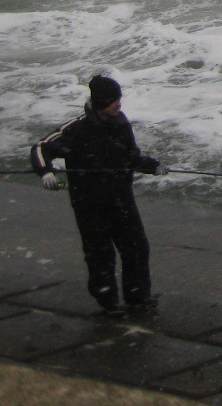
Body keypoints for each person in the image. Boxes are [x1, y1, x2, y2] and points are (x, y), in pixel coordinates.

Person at [29, 75, 165, 316]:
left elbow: (130, 157)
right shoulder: (76, 129)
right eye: (114, 100)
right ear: (102, 102)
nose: (119, 104)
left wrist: (151, 166)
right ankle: (109, 302)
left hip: (121, 199)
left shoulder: (121, 124)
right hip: (89, 204)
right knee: (100, 254)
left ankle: (139, 297)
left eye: (119, 99)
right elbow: (41, 147)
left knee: (137, 248)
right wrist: (45, 172)